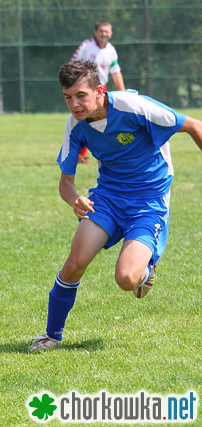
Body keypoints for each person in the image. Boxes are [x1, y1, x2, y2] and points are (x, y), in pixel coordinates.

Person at [28, 60, 202, 352]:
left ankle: (146, 272)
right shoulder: (76, 125)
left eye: (81, 95)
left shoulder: (134, 106)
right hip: (107, 200)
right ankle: (51, 336)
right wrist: (75, 200)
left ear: (100, 90)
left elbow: (194, 125)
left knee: (126, 279)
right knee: (74, 264)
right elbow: (65, 183)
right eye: (67, 97)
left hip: (148, 203)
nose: (74, 104)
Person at [71, 20, 125, 163]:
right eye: (101, 31)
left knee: (101, 121)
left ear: (111, 33)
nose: (104, 34)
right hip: (86, 90)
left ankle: (91, 153)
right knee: (86, 121)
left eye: (107, 31)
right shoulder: (86, 46)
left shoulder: (111, 50)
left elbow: (115, 72)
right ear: (96, 32)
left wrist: (123, 93)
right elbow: (72, 66)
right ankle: (78, 154)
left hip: (101, 90)